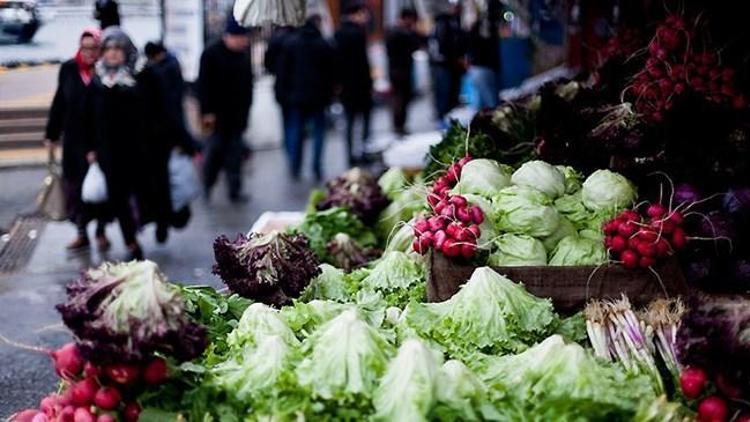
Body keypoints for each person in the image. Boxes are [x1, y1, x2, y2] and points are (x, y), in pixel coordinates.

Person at [45, 28, 111, 251]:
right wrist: (51, 134)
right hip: (74, 140)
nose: (89, 53)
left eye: (94, 48)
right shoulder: (69, 69)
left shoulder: (105, 72)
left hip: (100, 140)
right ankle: (82, 232)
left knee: (99, 188)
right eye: (85, 48)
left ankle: (101, 230)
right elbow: (59, 102)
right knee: (75, 187)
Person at [85, 28, 143, 260]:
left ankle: (104, 228)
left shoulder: (135, 80)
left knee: (122, 194)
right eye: (108, 49)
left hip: (131, 150)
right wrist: (90, 148)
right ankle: (130, 240)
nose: (113, 54)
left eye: (118, 49)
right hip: (105, 150)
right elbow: (87, 118)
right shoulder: (97, 81)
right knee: (114, 194)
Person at [141, 41, 196, 242]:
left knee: (161, 183)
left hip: (158, 140)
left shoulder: (153, 74)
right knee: (164, 182)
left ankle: (160, 220)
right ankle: (163, 220)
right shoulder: (167, 68)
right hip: (163, 137)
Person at [197, 15, 254, 203]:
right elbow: (204, 86)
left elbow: (248, 87)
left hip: (237, 116)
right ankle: (207, 186)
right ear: (228, 36)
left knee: (235, 157)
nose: (243, 42)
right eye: (240, 38)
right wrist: (207, 113)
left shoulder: (244, 55)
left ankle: (235, 191)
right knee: (214, 154)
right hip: (217, 117)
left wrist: (246, 115)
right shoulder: (211, 54)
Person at [276, 15, 335, 180]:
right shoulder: (323, 44)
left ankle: (295, 166)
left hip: (296, 97)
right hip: (318, 97)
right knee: (318, 133)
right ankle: (316, 167)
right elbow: (331, 73)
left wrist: (283, 94)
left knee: (296, 131)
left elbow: (283, 73)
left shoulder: (291, 43)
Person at [334, 3, 372, 166]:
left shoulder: (338, 33)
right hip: (360, 85)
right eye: (363, 14)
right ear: (356, 14)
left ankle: (349, 154)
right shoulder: (358, 33)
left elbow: (335, 61)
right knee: (364, 120)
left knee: (349, 122)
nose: (366, 18)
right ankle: (363, 151)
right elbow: (362, 63)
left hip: (346, 87)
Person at [386, 8, 422, 136]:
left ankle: (400, 125)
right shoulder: (398, 33)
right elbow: (415, 44)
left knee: (403, 98)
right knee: (400, 99)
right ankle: (398, 125)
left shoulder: (396, 31)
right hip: (399, 71)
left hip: (400, 70)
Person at [429, 1, 466, 123]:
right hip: (444, 65)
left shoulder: (454, 22)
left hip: (450, 64)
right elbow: (444, 45)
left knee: (450, 93)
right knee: (443, 93)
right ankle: (442, 118)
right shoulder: (444, 23)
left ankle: (447, 118)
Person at [264, 25, 296, 149]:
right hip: (294, 85)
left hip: (282, 86)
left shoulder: (275, 40)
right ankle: (292, 149)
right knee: (294, 121)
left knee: (287, 120)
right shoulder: (295, 38)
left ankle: (289, 148)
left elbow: (267, 63)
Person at [467, 1, 501, 109]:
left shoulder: (478, 26)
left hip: (476, 67)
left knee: (481, 105)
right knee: (491, 106)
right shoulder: (483, 26)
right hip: (483, 67)